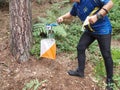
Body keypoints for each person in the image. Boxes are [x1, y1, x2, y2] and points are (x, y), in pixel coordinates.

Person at [57, 0, 114, 89]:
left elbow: (110, 3)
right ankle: (80, 71)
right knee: (80, 47)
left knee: (106, 55)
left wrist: (97, 16)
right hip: (90, 31)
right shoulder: (76, 6)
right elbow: (71, 14)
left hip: (103, 30)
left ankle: (110, 81)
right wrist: (62, 17)